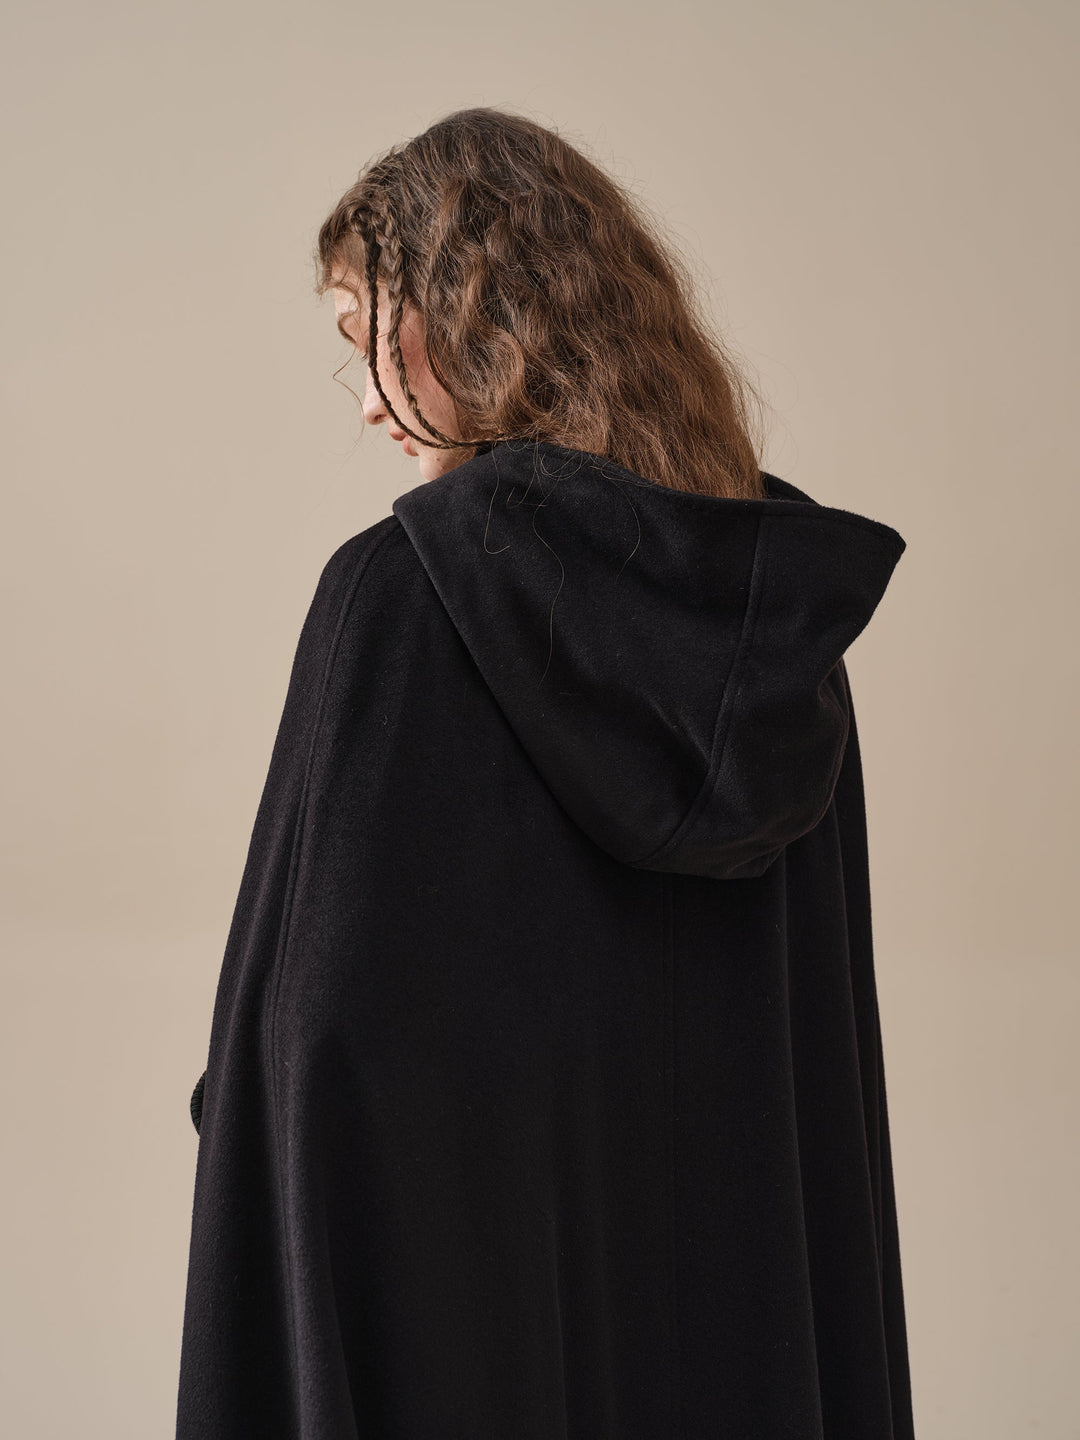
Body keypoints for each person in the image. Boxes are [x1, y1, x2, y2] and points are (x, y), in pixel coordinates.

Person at [176, 107, 916, 1439]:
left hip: (483, 1356)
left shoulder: (401, 597)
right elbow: (822, 1104)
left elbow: (311, 1041)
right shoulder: (777, 647)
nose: (367, 400)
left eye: (371, 335)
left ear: (478, 317)